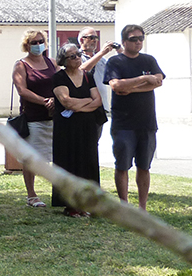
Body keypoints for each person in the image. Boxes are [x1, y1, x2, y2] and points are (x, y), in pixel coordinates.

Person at [104, 24, 166, 210]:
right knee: (122, 166)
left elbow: (158, 81)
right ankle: (124, 206)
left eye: (141, 38)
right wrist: (144, 79)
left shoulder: (149, 60)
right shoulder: (115, 62)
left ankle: (142, 208)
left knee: (144, 166)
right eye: (133, 39)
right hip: (123, 123)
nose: (138, 42)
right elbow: (116, 85)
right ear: (124, 41)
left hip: (147, 122)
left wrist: (130, 88)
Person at [51, 43, 105, 217]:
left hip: (87, 126)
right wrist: (87, 101)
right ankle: (71, 205)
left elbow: (98, 101)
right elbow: (67, 102)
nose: (77, 58)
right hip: (67, 128)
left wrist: (79, 105)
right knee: (70, 163)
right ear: (64, 60)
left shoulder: (88, 76)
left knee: (89, 162)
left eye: (78, 54)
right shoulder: (59, 77)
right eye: (72, 56)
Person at [12, 29, 59, 209]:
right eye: (34, 42)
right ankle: (31, 194)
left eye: (40, 41)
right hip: (33, 118)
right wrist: (44, 101)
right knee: (31, 158)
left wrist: (56, 99)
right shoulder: (21, 65)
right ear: (27, 45)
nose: (38, 45)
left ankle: (59, 191)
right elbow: (22, 90)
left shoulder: (52, 62)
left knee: (56, 156)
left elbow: (63, 82)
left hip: (55, 118)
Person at [78, 28, 118, 115]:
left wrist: (120, 51)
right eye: (91, 38)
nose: (94, 41)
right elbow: (82, 70)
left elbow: (116, 72)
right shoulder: (76, 57)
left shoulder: (102, 59)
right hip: (84, 107)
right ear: (81, 40)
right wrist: (102, 52)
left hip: (102, 107)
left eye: (96, 38)